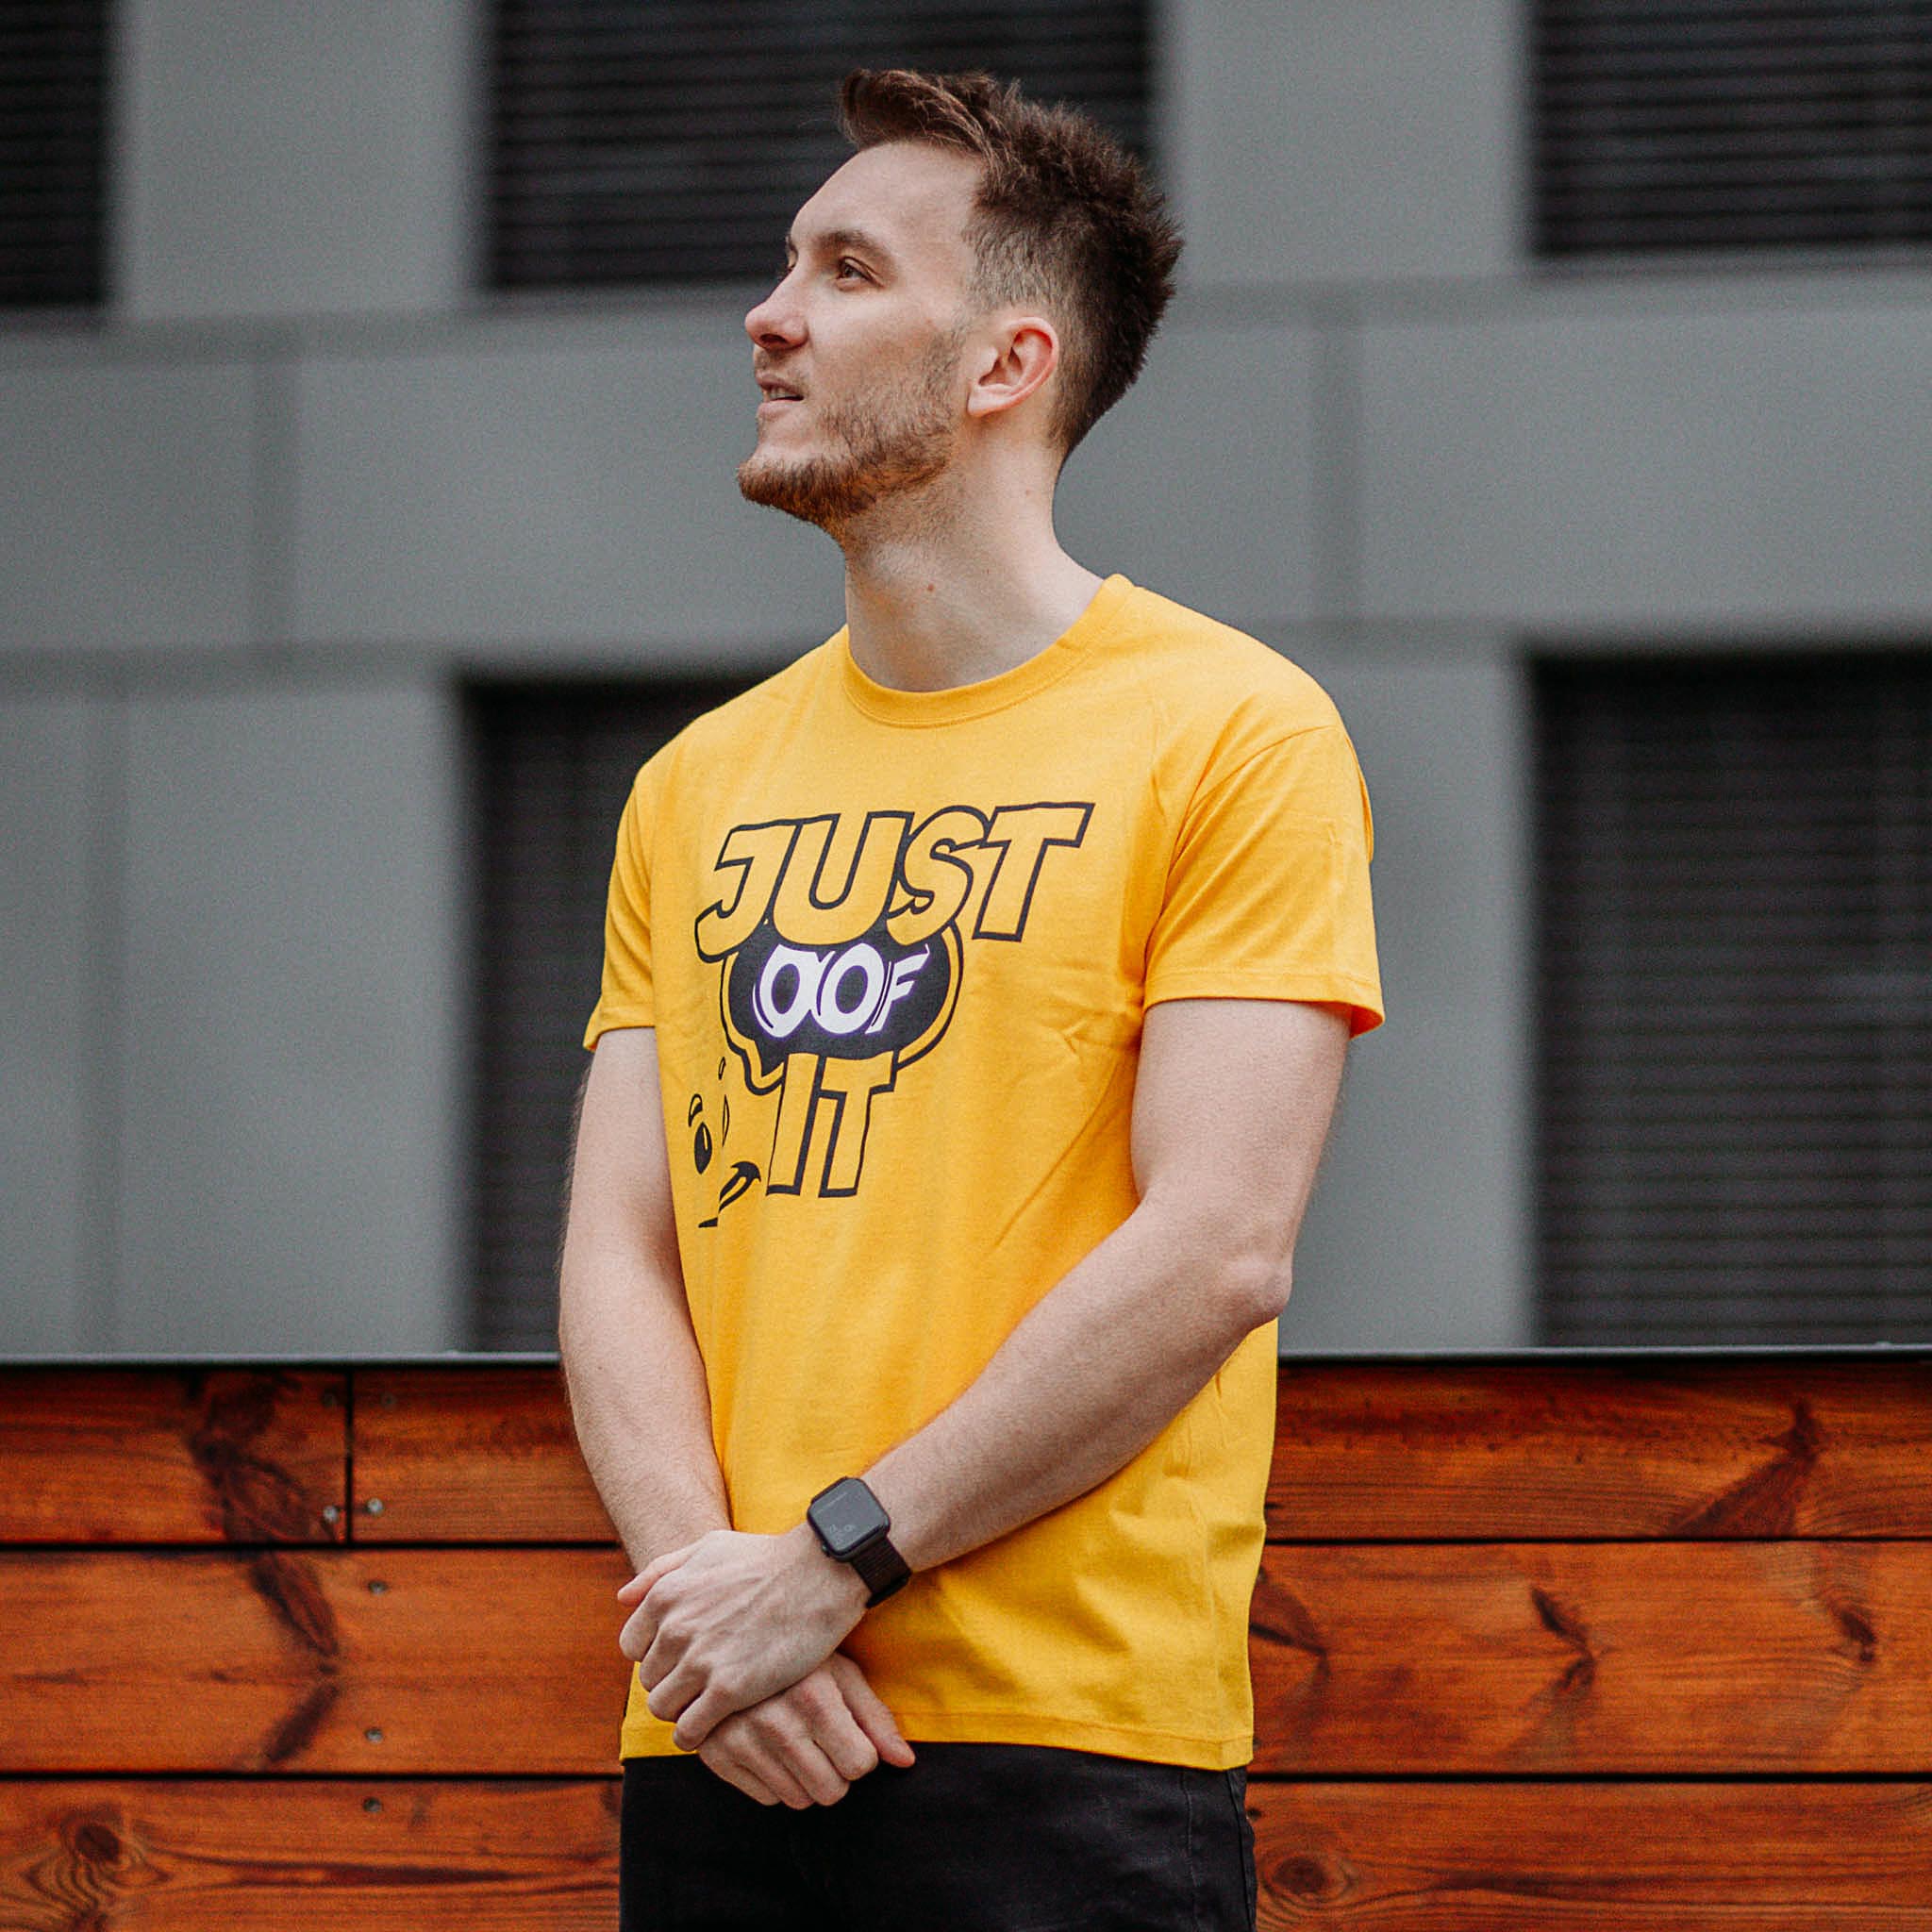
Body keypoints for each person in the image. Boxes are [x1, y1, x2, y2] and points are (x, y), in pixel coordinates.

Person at [559, 66, 1383, 1931]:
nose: (768, 316)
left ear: (1008, 362)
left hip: (1066, 1743)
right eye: (788, 262)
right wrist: (713, 1615)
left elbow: (1219, 1245)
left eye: (847, 271)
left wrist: (830, 1564)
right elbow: (620, 1243)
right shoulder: (695, 783)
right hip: (725, 1732)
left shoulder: (1233, 733)